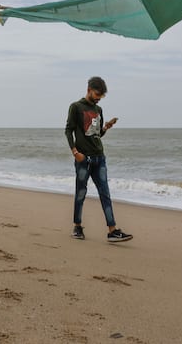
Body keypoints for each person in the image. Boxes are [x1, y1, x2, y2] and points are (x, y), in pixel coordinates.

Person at [65, 76, 133, 243]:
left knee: (105, 193)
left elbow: (97, 134)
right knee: (81, 193)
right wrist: (75, 151)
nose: (98, 98)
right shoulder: (76, 107)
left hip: (99, 158)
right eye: (97, 94)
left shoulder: (99, 110)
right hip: (83, 159)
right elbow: (68, 130)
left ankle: (112, 230)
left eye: (101, 96)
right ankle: (77, 227)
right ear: (89, 89)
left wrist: (106, 127)